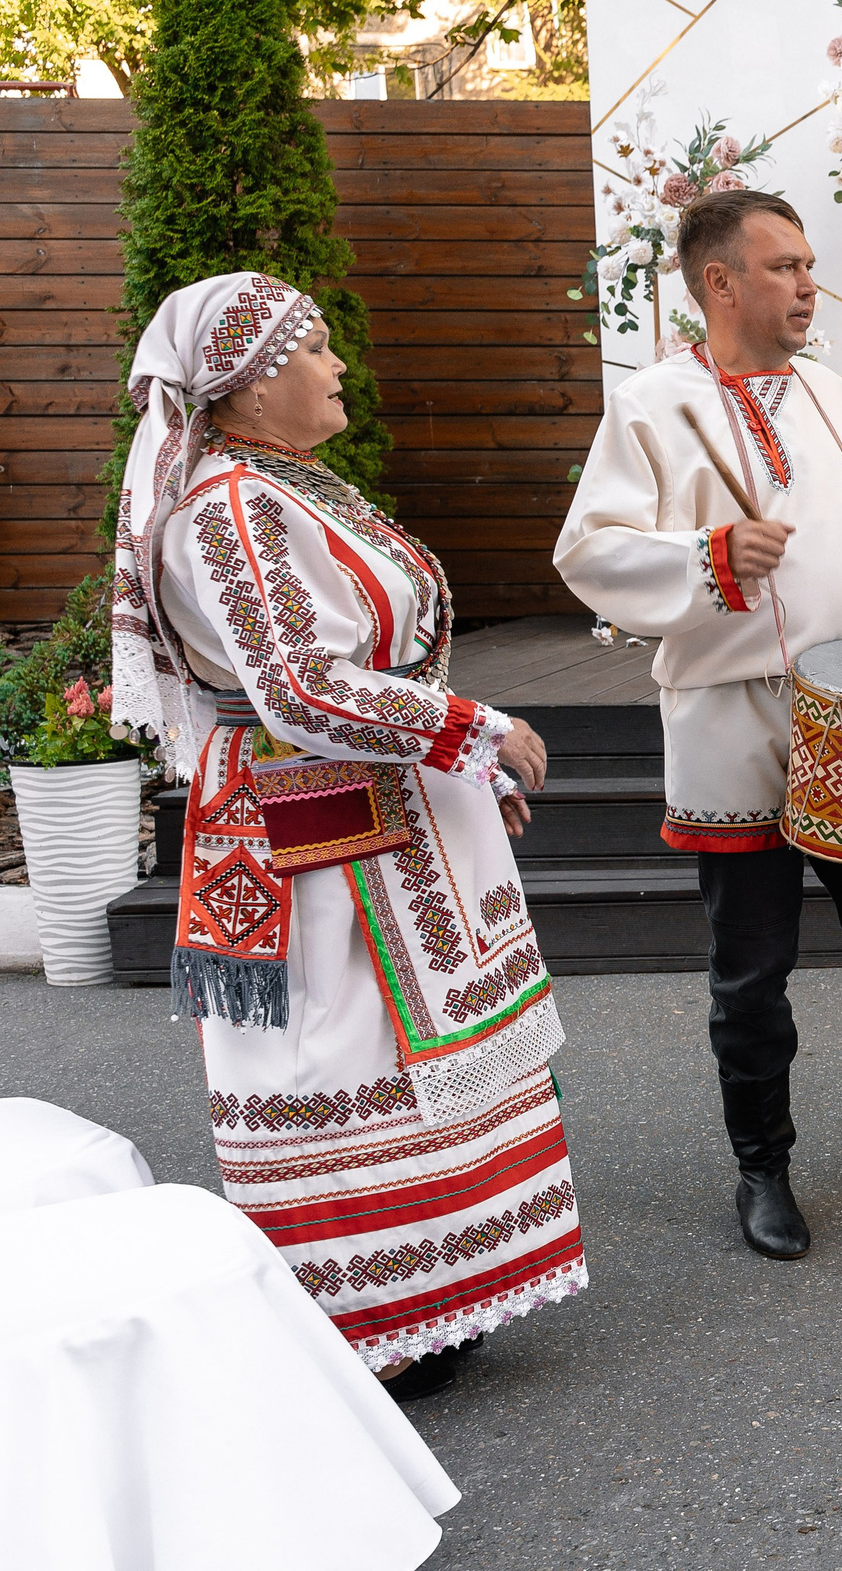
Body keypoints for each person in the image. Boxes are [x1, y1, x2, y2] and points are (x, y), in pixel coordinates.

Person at [110, 271, 584, 1402]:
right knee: (342, 1047)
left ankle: (441, 1285)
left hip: (375, 807)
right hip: (308, 827)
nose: (337, 366)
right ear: (249, 381)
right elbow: (300, 687)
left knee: (403, 1046)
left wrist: (460, 772)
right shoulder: (229, 506)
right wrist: (475, 729)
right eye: (314, 348)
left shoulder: (284, 482)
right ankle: (371, 1311)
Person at [555, 190, 842, 1258]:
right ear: (719, 283)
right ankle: (762, 1172)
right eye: (786, 267)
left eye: (810, 265)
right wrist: (707, 557)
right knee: (751, 974)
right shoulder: (650, 407)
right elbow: (589, 551)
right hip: (734, 717)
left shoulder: (828, 391)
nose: (810, 286)